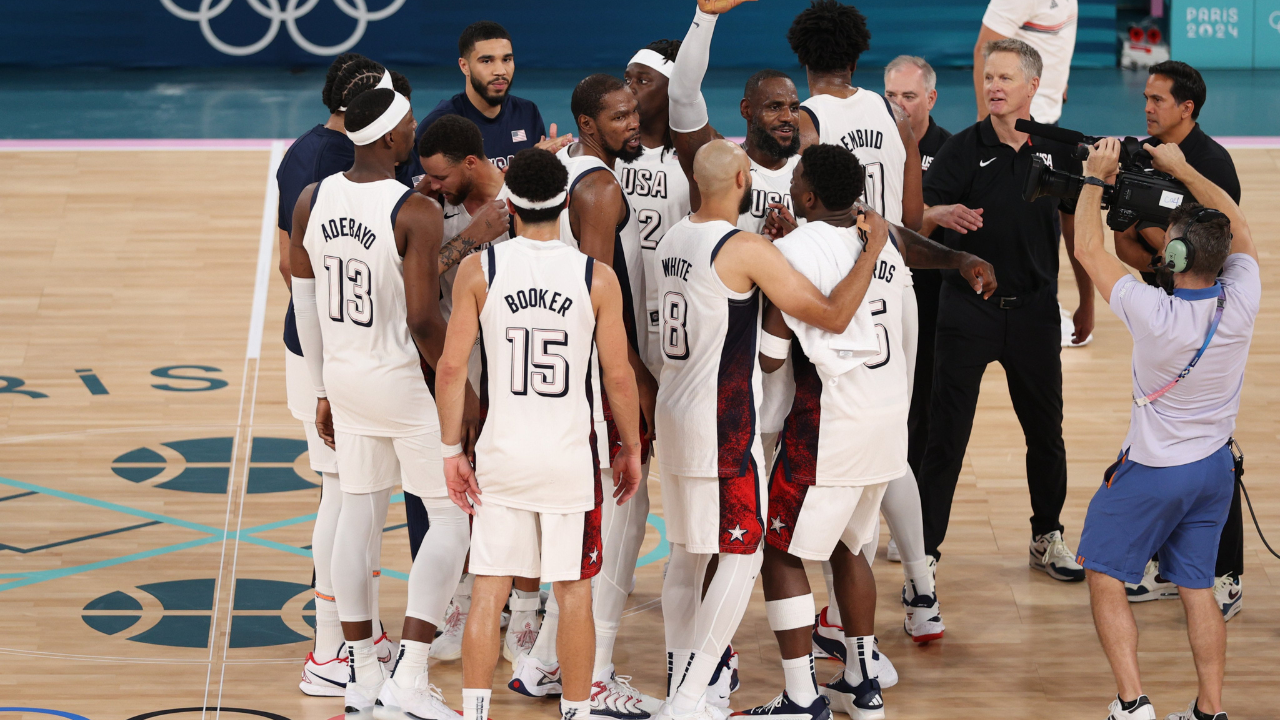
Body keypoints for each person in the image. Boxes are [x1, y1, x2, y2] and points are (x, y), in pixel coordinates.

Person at [653, 138, 899, 720]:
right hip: (727, 422)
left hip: (675, 408)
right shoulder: (749, 250)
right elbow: (832, 317)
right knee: (746, 555)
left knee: (689, 556)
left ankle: (690, 687)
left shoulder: (671, 240)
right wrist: (875, 248)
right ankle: (693, 700)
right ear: (743, 178)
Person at [437, 147, 645, 720]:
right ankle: (576, 712)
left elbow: (452, 369)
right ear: (564, 206)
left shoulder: (482, 270)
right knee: (574, 596)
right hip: (570, 458)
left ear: (510, 204)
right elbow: (619, 376)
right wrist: (630, 447)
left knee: (488, 593)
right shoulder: (594, 277)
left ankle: (475, 712)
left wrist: (452, 450)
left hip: (503, 456)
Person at [288, 87, 470, 715]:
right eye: (412, 125)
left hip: (343, 378)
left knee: (358, 518)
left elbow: (303, 300)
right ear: (393, 138)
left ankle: (362, 673)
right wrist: (462, 389)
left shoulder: (312, 199)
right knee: (450, 519)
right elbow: (422, 317)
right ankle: (411, 678)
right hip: (400, 379)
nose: (416, 133)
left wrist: (319, 388)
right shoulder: (413, 209)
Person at [1072, 138, 1258, 720]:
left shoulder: (1153, 313)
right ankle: (1209, 710)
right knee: (1197, 587)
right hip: (1213, 472)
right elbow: (1238, 223)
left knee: (1104, 573)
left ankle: (1133, 704)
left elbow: (1085, 246)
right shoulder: (1244, 294)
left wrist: (1095, 177)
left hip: (1152, 471)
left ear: (1172, 259)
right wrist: (1182, 169)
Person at [509, 73, 662, 717]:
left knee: (595, 525)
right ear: (589, 125)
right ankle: (593, 676)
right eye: (621, 117)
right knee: (620, 522)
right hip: (596, 383)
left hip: (551, 378)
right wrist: (632, 381)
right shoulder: (598, 186)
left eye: (634, 113)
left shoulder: (560, 168)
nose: (634, 125)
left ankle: (546, 662)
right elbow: (598, 293)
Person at [918, 39, 1092, 581]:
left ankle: (1047, 536)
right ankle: (925, 553)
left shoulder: (1060, 150)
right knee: (946, 436)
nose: (992, 86)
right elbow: (915, 220)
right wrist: (938, 211)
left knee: (1046, 433)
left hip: (1037, 313)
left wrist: (1086, 300)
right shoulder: (961, 149)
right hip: (969, 313)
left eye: (1005, 78)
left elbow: (1073, 228)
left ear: (1033, 86)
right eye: (988, 77)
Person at [277, 53, 397, 695]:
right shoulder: (315, 160)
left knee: (361, 496)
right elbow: (290, 267)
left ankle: (358, 630)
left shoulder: (326, 155)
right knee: (342, 495)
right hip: (327, 353)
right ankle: (331, 646)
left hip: (343, 351)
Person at [1111, 61, 1246, 619]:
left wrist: (1161, 250)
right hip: (1164, 312)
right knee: (1165, 443)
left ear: (1188, 107)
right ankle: (1175, 565)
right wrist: (1156, 255)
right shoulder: (1142, 155)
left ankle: (1227, 573)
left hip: (1205, 321)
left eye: (1159, 99)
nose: (1148, 106)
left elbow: (1220, 247)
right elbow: (1127, 245)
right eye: (1146, 97)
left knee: (1209, 446)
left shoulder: (1213, 166)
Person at [412, 114, 524, 663]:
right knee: (465, 489)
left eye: (439, 176)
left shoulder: (524, 197)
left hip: (521, 368)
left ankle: (523, 613)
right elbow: (415, 280)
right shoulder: (430, 208)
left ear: (472, 165)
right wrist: (470, 243)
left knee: (519, 486)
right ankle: (460, 606)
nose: (428, 184)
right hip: (462, 365)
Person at [789, 0, 923, 232]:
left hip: (833, 264)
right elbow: (913, 221)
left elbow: (794, 211)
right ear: (854, 62)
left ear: (804, 60)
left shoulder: (803, 123)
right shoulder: (896, 114)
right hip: (891, 261)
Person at [409, 20, 571, 179]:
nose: (500, 71)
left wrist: (547, 163)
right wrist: (526, 165)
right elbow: (422, 196)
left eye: (506, 60)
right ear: (464, 66)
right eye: (487, 61)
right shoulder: (438, 125)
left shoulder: (527, 112)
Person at [623, 39, 692, 378]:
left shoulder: (697, 156)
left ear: (673, 90)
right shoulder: (604, 153)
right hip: (621, 306)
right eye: (627, 79)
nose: (628, 90)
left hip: (675, 312)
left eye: (642, 81)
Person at [973, 0, 1076, 124]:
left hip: (1048, 110)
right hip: (1019, 120)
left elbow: (1057, 35)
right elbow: (984, 53)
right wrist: (986, 123)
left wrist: (1060, 80)